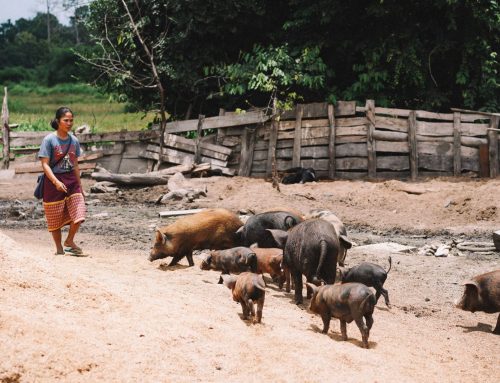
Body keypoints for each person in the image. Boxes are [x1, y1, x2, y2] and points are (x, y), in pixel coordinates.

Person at [38, 107, 86, 256]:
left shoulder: (74, 140)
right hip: (53, 182)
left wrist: (80, 185)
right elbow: (45, 164)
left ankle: (69, 241)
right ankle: (59, 248)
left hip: (71, 180)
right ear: (58, 121)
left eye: (71, 120)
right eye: (66, 120)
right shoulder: (49, 140)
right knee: (55, 215)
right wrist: (56, 182)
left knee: (80, 212)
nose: (69, 123)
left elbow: (76, 164)